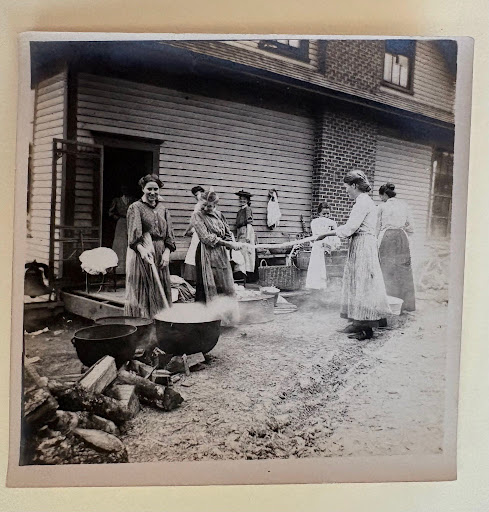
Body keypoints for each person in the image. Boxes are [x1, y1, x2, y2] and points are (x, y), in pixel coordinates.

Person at [316, 170, 391, 340]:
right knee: (356, 282)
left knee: (363, 283)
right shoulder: (363, 201)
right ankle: (357, 322)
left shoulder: (362, 203)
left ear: (355, 186)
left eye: (347, 187)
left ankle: (366, 328)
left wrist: (327, 234)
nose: (346, 191)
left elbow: (350, 228)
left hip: (363, 245)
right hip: (360, 243)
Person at [125, 174, 176, 318]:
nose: (153, 192)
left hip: (160, 252)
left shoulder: (163, 209)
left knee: (160, 288)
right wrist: (142, 251)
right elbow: (133, 237)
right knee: (145, 289)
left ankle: (162, 322)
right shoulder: (135, 207)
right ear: (143, 189)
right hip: (144, 252)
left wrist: (166, 253)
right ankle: (144, 324)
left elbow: (169, 235)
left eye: (156, 189)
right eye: (149, 189)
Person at [191, 189, 244, 304]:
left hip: (221, 254)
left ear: (215, 205)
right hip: (205, 252)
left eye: (209, 206)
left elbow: (227, 232)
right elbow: (206, 238)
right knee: (208, 283)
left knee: (224, 282)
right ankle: (208, 313)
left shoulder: (220, 215)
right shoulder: (197, 216)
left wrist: (232, 244)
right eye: (203, 205)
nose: (205, 209)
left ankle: (225, 313)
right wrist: (227, 243)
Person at [377, 182, 416, 312]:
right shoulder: (404, 205)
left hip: (387, 238)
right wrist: (402, 228)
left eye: (381, 196)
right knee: (403, 270)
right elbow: (411, 227)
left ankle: (388, 304)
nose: (381, 199)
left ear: (384, 195)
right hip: (401, 238)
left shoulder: (381, 207)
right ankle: (406, 305)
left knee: (387, 270)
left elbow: (377, 227)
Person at [305, 202, 341, 290]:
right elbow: (316, 234)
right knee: (316, 265)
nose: (326, 216)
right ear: (319, 214)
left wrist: (335, 243)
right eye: (324, 214)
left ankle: (326, 285)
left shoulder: (332, 223)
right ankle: (314, 285)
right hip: (318, 245)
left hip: (328, 244)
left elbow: (335, 234)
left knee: (327, 266)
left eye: (328, 213)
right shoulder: (315, 222)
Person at [108, 184, 135, 274]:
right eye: (123, 189)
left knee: (130, 242)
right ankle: (119, 268)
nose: (125, 190)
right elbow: (110, 213)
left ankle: (130, 267)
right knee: (120, 243)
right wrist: (118, 218)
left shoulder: (133, 200)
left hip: (131, 222)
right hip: (121, 223)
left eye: (127, 189)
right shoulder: (117, 200)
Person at [183, 185, 205, 284]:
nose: (197, 197)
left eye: (198, 194)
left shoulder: (201, 205)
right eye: (195, 195)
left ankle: (197, 278)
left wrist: (186, 230)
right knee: (194, 252)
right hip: (200, 231)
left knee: (194, 252)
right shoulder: (203, 204)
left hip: (202, 232)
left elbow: (193, 221)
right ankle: (196, 278)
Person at [234, 190, 258, 282]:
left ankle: (248, 277)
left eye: (244, 199)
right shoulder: (240, 211)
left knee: (247, 254)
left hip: (246, 231)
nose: (242, 201)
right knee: (241, 254)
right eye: (241, 199)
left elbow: (249, 223)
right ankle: (242, 275)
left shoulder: (247, 209)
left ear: (248, 200)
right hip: (240, 232)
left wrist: (248, 236)